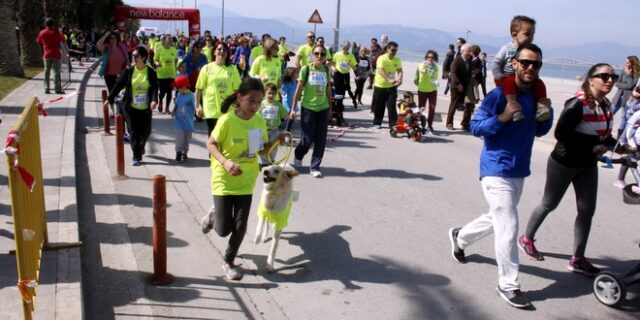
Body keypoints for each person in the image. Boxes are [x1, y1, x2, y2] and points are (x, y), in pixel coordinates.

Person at [448, 43, 553, 309]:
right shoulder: (498, 96)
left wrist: (546, 116)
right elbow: (475, 126)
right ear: (515, 63)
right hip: (495, 168)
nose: (531, 67)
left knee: (498, 218)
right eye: (525, 62)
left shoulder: (535, 96)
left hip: (518, 169)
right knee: (508, 225)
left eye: (536, 64)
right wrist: (503, 117)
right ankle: (508, 285)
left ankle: (460, 237)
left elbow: (539, 131)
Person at [519, 63, 617, 276]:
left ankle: (578, 258)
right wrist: (593, 145)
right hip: (563, 163)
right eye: (604, 76)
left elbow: (604, 136)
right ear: (590, 79)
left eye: (613, 77)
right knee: (549, 203)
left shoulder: (606, 105)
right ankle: (526, 238)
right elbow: (561, 134)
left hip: (587, 164)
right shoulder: (577, 104)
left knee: (587, 210)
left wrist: (621, 147)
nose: (610, 81)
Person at [199, 78, 284, 280]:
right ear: (239, 97)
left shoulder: (258, 121)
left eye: (259, 102)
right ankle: (213, 216)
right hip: (224, 180)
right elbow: (210, 144)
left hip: (246, 181)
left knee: (240, 227)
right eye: (251, 101)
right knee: (222, 230)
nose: (255, 106)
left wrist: (274, 142)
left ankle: (228, 261)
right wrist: (226, 163)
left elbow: (258, 150)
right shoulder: (227, 121)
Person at [105, 46, 158, 166]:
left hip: (145, 108)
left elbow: (155, 88)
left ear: (143, 57)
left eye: (136, 56)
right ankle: (136, 156)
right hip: (130, 107)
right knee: (133, 132)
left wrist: (154, 100)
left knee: (146, 132)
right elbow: (118, 85)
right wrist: (110, 98)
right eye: (132, 56)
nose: (133, 58)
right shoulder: (129, 72)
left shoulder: (150, 72)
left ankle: (141, 145)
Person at [492, 15, 551, 123]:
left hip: (521, 80)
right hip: (506, 77)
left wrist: (534, 76)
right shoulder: (507, 48)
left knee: (540, 84)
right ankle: (514, 109)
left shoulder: (530, 50)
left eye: (533, 34)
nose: (531, 38)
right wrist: (498, 74)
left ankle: (542, 108)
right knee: (510, 83)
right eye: (527, 34)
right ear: (515, 35)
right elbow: (496, 62)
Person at [289, 45, 332, 178]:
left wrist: (330, 107)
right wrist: (293, 109)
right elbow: (299, 89)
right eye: (317, 53)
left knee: (320, 140)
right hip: (308, 108)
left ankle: (315, 167)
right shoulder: (306, 69)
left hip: (323, 108)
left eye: (322, 54)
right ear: (313, 55)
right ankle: (298, 154)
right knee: (307, 140)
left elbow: (328, 89)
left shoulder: (326, 70)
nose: (320, 56)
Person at [196, 42, 242, 138]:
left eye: (224, 50)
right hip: (211, 110)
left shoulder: (232, 69)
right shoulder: (207, 68)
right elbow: (199, 89)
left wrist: (238, 106)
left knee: (225, 139)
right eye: (219, 49)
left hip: (227, 110)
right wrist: (197, 107)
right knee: (213, 139)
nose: (222, 52)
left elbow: (238, 90)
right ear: (214, 52)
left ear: (227, 53)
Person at [372, 41, 403, 129]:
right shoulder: (381, 58)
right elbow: (380, 70)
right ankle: (377, 122)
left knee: (392, 105)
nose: (394, 52)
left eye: (395, 51)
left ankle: (393, 124)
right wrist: (388, 79)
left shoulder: (397, 59)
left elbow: (400, 70)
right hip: (380, 85)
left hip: (392, 86)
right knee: (379, 105)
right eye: (392, 50)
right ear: (387, 49)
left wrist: (400, 79)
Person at [614, 86, 640, 189]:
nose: (637, 94)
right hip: (632, 135)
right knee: (633, 156)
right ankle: (620, 179)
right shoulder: (633, 103)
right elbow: (630, 120)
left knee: (633, 156)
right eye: (637, 91)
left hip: (633, 134)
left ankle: (620, 179)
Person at [97, 30, 128, 113]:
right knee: (112, 92)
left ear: (117, 39)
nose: (113, 39)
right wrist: (105, 35)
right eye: (111, 38)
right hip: (109, 74)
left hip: (120, 74)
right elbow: (98, 45)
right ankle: (112, 109)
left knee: (120, 92)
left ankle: (120, 109)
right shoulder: (107, 47)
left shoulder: (121, 47)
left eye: (114, 38)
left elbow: (126, 58)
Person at [258, 83, 288, 165]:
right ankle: (264, 162)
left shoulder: (278, 104)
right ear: (265, 93)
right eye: (269, 93)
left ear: (276, 94)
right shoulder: (261, 104)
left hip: (275, 130)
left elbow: (284, 114)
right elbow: (256, 116)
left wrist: (289, 115)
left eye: (273, 93)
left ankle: (271, 160)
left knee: (274, 147)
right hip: (263, 130)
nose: (271, 95)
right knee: (263, 147)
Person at [611, 56, 640, 138]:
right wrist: (626, 86)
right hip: (618, 97)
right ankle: (606, 132)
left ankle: (619, 137)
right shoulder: (623, 70)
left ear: (633, 63)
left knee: (624, 118)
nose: (625, 64)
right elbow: (617, 83)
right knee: (610, 113)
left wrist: (629, 75)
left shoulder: (637, 73)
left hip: (628, 98)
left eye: (627, 62)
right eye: (625, 62)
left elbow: (631, 85)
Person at [37, 18, 67, 95]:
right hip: (56, 54)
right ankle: (57, 89)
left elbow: (38, 41)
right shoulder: (56, 32)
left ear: (45, 24)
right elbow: (62, 40)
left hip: (46, 54)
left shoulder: (42, 32)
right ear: (53, 24)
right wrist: (61, 32)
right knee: (56, 72)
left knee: (46, 72)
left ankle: (46, 88)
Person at [445, 44, 472, 130]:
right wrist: (458, 84)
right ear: (463, 51)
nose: (469, 53)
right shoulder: (457, 60)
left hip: (467, 87)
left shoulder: (469, 61)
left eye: (470, 51)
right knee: (453, 105)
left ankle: (465, 124)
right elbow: (453, 74)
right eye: (468, 51)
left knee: (469, 105)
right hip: (457, 87)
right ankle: (449, 123)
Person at [332, 40, 358, 125]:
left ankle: (340, 115)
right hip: (338, 75)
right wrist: (333, 69)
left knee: (342, 96)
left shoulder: (351, 56)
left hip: (345, 75)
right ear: (342, 47)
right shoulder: (337, 54)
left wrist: (352, 67)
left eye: (347, 48)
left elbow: (354, 68)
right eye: (344, 48)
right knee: (338, 96)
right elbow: (331, 63)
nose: (346, 50)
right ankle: (338, 115)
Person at [170, 75, 195, 163]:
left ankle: (185, 153)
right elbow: (177, 104)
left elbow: (196, 107)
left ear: (184, 87)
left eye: (178, 88)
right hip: (179, 121)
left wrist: (199, 111)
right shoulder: (179, 95)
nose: (177, 90)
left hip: (188, 122)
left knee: (186, 139)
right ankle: (178, 152)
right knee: (179, 138)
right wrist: (173, 111)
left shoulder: (192, 96)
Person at [415, 50, 439, 133]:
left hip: (433, 89)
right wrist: (425, 70)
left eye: (432, 57)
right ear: (426, 57)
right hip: (423, 89)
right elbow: (423, 71)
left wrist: (436, 82)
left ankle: (430, 125)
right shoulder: (422, 64)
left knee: (432, 108)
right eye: (428, 57)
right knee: (421, 108)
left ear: (435, 58)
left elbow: (434, 77)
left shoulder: (435, 66)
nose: (430, 59)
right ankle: (418, 123)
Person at [154, 36, 178, 114]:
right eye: (168, 39)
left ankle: (167, 108)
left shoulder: (174, 49)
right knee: (162, 92)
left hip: (171, 74)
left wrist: (175, 69)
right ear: (165, 40)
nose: (170, 40)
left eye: (171, 39)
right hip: (162, 74)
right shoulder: (160, 49)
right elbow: (155, 59)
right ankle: (160, 101)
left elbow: (176, 60)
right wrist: (157, 63)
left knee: (169, 91)